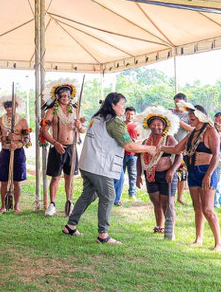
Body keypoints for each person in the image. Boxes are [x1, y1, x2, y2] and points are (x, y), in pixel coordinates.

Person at [61, 93, 155, 244]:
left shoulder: (96, 118)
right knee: (109, 196)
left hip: (88, 164)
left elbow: (122, 140)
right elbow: (129, 146)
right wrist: (149, 148)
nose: (124, 108)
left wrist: (141, 143)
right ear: (112, 105)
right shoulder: (115, 122)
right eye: (122, 105)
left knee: (88, 195)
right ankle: (103, 235)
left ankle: (71, 225)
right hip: (99, 167)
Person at [162, 103, 221, 251]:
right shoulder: (192, 133)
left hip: (206, 171)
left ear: (202, 116)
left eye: (193, 115)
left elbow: (216, 155)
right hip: (193, 172)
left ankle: (219, 243)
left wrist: (208, 174)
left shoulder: (210, 131)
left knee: (208, 209)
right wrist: (158, 148)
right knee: (197, 207)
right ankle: (198, 239)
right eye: (189, 116)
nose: (190, 118)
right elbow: (177, 149)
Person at [135, 106, 182, 240]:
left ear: (164, 126)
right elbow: (139, 158)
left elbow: (179, 155)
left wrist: (172, 170)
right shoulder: (145, 142)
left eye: (159, 124)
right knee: (156, 201)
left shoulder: (169, 139)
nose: (157, 127)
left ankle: (170, 231)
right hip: (150, 175)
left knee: (168, 203)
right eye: (154, 124)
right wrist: (138, 176)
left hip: (167, 175)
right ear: (149, 126)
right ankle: (159, 226)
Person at [40, 80, 85, 216]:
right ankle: (52, 204)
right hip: (57, 147)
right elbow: (43, 130)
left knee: (69, 177)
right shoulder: (52, 111)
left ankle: (69, 203)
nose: (66, 98)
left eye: (68, 96)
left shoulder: (75, 110)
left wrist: (79, 126)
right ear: (58, 97)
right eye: (63, 96)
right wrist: (55, 143)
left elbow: (82, 130)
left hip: (72, 148)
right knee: (55, 177)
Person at [0, 95, 31, 214]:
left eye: (11, 105)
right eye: (6, 105)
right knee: (4, 181)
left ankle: (16, 207)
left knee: (17, 181)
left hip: (18, 153)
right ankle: (3, 206)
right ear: (3, 106)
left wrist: (18, 143)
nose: (9, 108)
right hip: (5, 152)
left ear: (16, 106)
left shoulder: (23, 121)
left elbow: (27, 139)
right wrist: (6, 137)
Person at [113, 106, 139, 205]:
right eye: (128, 113)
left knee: (133, 174)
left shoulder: (137, 125)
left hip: (132, 154)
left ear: (134, 115)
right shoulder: (121, 124)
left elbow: (140, 137)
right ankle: (116, 195)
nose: (129, 116)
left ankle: (132, 193)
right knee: (119, 175)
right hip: (121, 153)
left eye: (132, 114)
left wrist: (136, 142)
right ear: (125, 114)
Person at [171, 93, 192, 205]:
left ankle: (180, 197)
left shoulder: (188, 115)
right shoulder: (170, 113)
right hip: (170, 147)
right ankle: (171, 196)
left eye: (179, 102)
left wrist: (179, 121)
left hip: (183, 148)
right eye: (175, 101)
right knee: (170, 171)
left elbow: (191, 129)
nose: (177, 104)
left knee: (182, 174)